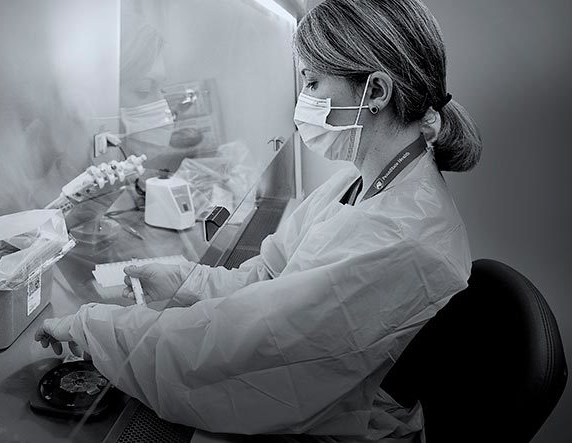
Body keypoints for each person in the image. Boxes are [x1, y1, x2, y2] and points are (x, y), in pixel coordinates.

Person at [35, 0, 482, 441]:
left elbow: (241, 350)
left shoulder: (398, 237)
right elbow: (273, 277)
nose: (302, 98)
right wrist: (188, 282)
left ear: (377, 93)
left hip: (343, 426)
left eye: (312, 81)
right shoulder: (366, 181)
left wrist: (91, 328)